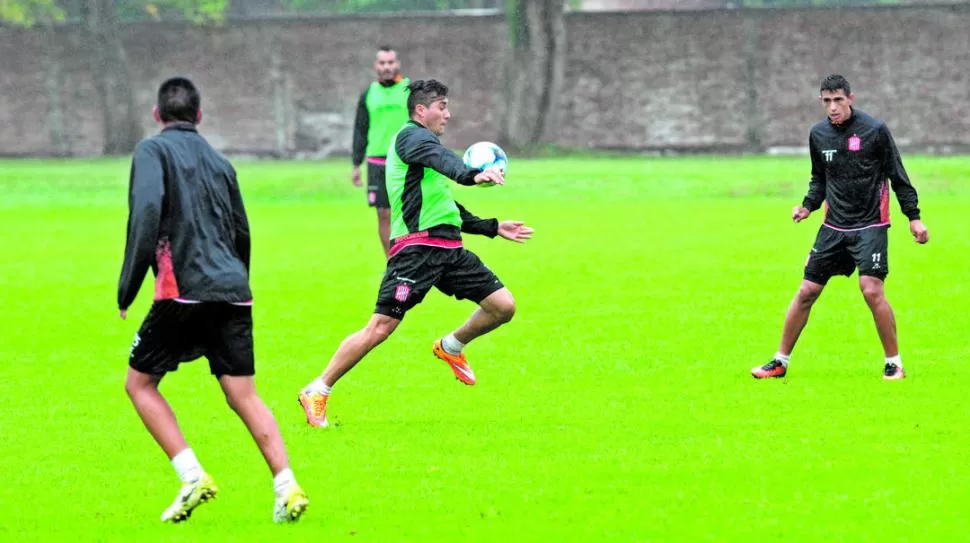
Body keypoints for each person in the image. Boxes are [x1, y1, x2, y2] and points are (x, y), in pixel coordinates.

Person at [118, 77, 309, 523]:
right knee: (243, 393)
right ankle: (286, 486)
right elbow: (242, 230)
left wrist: (128, 285)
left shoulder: (152, 151)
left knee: (140, 384)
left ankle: (191, 477)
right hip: (233, 290)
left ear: (157, 115)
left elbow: (145, 212)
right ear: (199, 116)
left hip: (182, 289)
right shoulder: (221, 162)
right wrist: (237, 283)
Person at [299, 79, 533, 427]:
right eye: (442, 106)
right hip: (416, 251)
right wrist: (473, 174)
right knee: (380, 328)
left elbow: (446, 208)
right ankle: (318, 389)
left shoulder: (425, 157)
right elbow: (447, 161)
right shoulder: (411, 138)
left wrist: (492, 226)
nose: (448, 114)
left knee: (502, 306)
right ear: (421, 110)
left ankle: (451, 347)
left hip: (449, 250)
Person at [752, 74, 929, 381]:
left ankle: (894, 363)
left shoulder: (874, 131)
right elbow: (819, 177)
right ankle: (780, 361)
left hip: (871, 223)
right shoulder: (818, 134)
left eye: (838, 100)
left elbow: (898, 176)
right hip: (834, 226)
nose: (832, 107)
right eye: (826, 101)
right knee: (807, 290)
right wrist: (807, 205)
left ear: (851, 98)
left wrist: (913, 217)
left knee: (871, 289)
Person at [351, 45, 411, 256]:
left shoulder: (410, 90)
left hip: (406, 159)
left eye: (391, 62)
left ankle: (411, 259)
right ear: (376, 66)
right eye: (382, 63)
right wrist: (356, 164)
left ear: (398, 64)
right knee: (383, 213)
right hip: (377, 160)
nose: (387, 67)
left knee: (407, 212)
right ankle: (391, 262)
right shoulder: (368, 94)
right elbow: (360, 129)